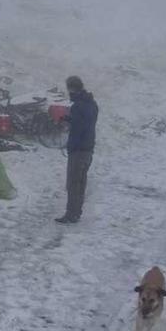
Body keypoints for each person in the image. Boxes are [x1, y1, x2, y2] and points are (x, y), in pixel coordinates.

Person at [55, 76, 99, 224]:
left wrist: (67, 123)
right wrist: (70, 119)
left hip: (78, 149)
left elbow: (79, 127)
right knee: (81, 182)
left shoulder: (78, 106)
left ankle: (71, 214)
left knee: (73, 183)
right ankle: (76, 212)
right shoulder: (92, 104)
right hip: (88, 148)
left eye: (69, 89)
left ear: (72, 88)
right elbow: (85, 122)